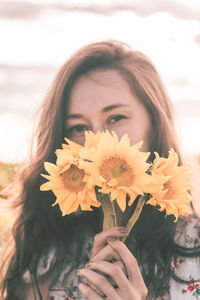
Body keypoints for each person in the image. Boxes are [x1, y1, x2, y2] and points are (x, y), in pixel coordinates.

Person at [0, 39, 200, 300]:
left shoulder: (192, 246)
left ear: (154, 123)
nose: (98, 141)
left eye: (116, 118)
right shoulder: (46, 246)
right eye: (79, 127)